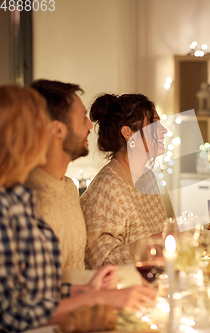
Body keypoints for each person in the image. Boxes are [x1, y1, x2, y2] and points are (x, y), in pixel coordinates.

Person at [0, 86, 156, 332]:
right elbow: (10, 312)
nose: (89, 126)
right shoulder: (19, 200)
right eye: (82, 117)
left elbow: (40, 287)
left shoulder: (31, 195)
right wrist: (97, 298)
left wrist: (87, 288)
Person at [81, 93, 169, 269]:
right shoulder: (107, 187)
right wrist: (158, 242)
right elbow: (101, 260)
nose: (163, 130)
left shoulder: (149, 177)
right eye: (154, 123)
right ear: (128, 133)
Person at [24, 80, 92, 272]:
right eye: (83, 118)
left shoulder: (69, 187)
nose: (90, 125)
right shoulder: (32, 199)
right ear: (58, 130)